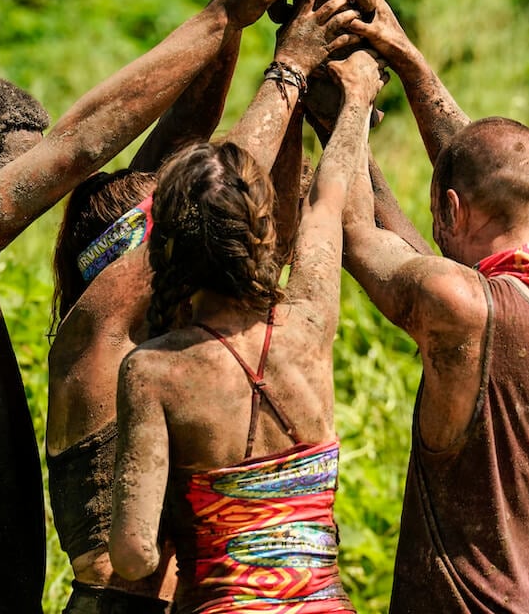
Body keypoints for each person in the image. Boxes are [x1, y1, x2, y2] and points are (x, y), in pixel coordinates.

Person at [0, 0, 325, 614]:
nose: (40, 192)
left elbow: (177, 162)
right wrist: (268, 58)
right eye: (20, 170)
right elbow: (110, 164)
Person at [46, 0, 360, 614]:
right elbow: (257, 204)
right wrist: (302, 76)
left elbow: (228, 201)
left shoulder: (167, 354)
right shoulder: (96, 337)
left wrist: (240, 1)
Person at [341, 0, 529, 613]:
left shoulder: (463, 304)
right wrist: (410, 63)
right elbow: (485, 179)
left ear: (449, 210)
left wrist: (346, 115)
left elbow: (357, 229)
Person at [107, 45, 384, 613]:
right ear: (258, 229)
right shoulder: (308, 324)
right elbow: (326, 205)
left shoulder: (153, 371)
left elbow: (134, 553)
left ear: (169, 245)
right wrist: (357, 98)